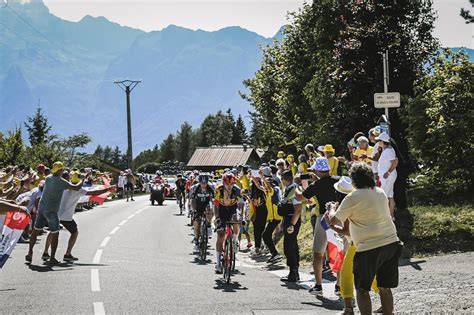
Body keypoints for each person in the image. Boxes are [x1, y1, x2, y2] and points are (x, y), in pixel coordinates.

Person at [326, 163, 402, 315]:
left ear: (354, 180)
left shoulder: (352, 197)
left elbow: (334, 220)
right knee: (384, 287)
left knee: (362, 289)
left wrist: (331, 209)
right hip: (391, 243)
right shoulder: (380, 192)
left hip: (368, 247)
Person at [26, 162, 83, 265]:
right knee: (55, 233)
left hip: (42, 209)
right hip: (51, 211)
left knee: (35, 231)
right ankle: (52, 258)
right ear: (60, 170)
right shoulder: (61, 181)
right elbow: (76, 188)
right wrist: (81, 181)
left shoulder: (48, 178)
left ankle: (30, 253)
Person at [296, 157, 338, 295]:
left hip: (323, 218)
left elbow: (301, 197)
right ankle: (339, 284)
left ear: (318, 170)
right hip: (339, 217)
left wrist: (297, 187)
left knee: (318, 253)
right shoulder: (338, 180)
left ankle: (319, 285)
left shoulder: (316, 186)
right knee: (338, 252)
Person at [213, 173, 241, 273]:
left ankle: (235, 239)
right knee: (220, 235)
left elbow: (241, 203)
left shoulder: (236, 190)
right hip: (222, 210)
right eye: (227, 184)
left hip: (232, 209)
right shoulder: (218, 190)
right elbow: (215, 205)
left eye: (231, 184)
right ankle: (218, 263)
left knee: (236, 219)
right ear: (223, 183)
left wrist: (242, 216)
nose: (229, 187)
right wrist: (217, 218)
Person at [277, 170, 302, 282]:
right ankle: (294, 272)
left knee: (289, 247)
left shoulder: (294, 189)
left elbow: (297, 209)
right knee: (291, 245)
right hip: (288, 219)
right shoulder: (289, 189)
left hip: (292, 220)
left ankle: (293, 273)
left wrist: (292, 224)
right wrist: (284, 222)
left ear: (284, 179)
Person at [189, 174, 214, 254]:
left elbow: (214, 199)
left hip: (206, 203)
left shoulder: (211, 187)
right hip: (198, 204)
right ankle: (196, 241)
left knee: (210, 209)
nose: (204, 185)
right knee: (197, 222)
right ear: (199, 182)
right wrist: (193, 210)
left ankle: (209, 225)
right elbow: (192, 200)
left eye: (205, 183)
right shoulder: (194, 188)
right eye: (202, 183)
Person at [376, 132, 398, 217]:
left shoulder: (388, 151)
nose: (378, 142)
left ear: (383, 141)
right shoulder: (388, 149)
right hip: (387, 176)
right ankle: (391, 216)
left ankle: (384, 216)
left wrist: (388, 172)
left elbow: (395, 162)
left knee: (383, 196)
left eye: (379, 141)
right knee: (390, 195)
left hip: (387, 176)